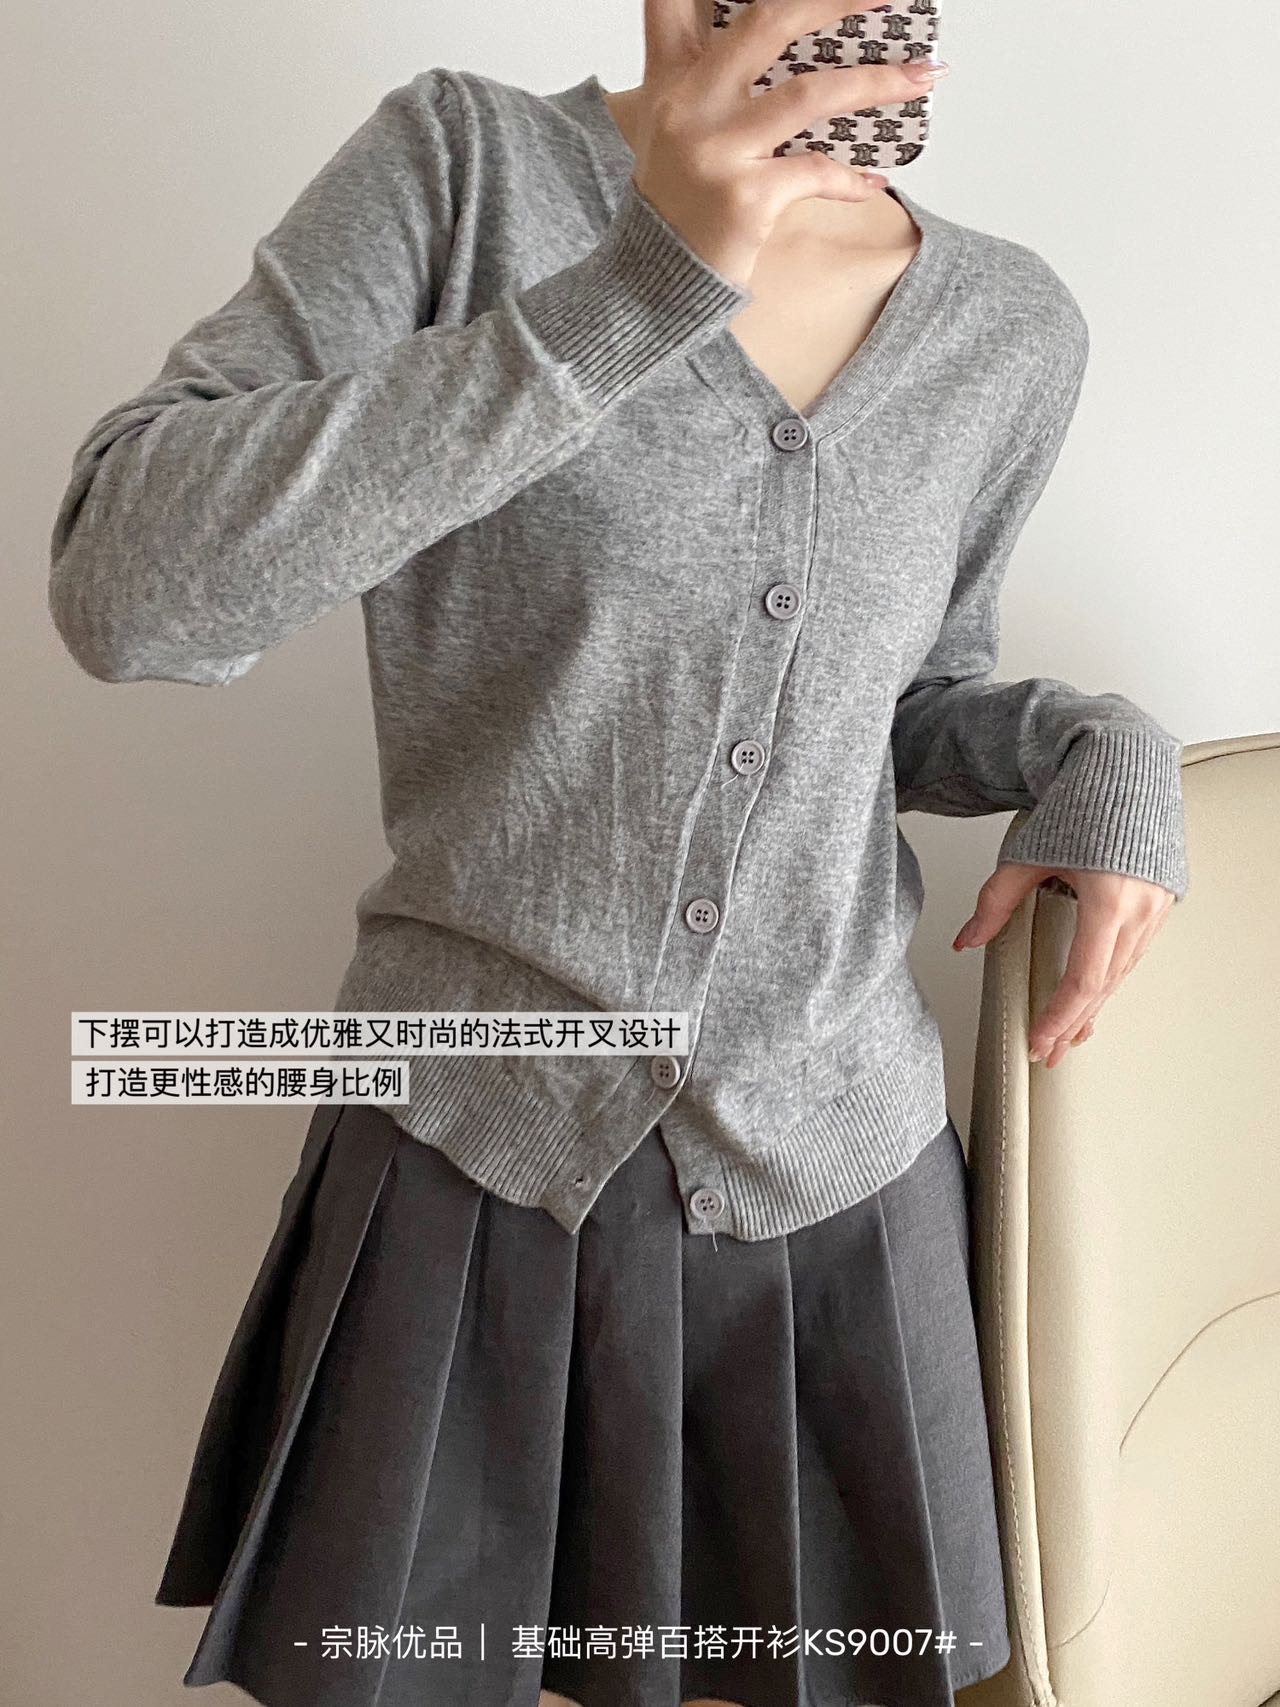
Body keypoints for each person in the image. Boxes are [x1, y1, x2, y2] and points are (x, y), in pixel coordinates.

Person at [47, 1, 1189, 1705]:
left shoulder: (1008, 326)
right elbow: (128, 596)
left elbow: (890, 702)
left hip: (831, 1178)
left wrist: (1096, 748)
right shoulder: (466, 167)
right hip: (468, 1146)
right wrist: (640, 287)